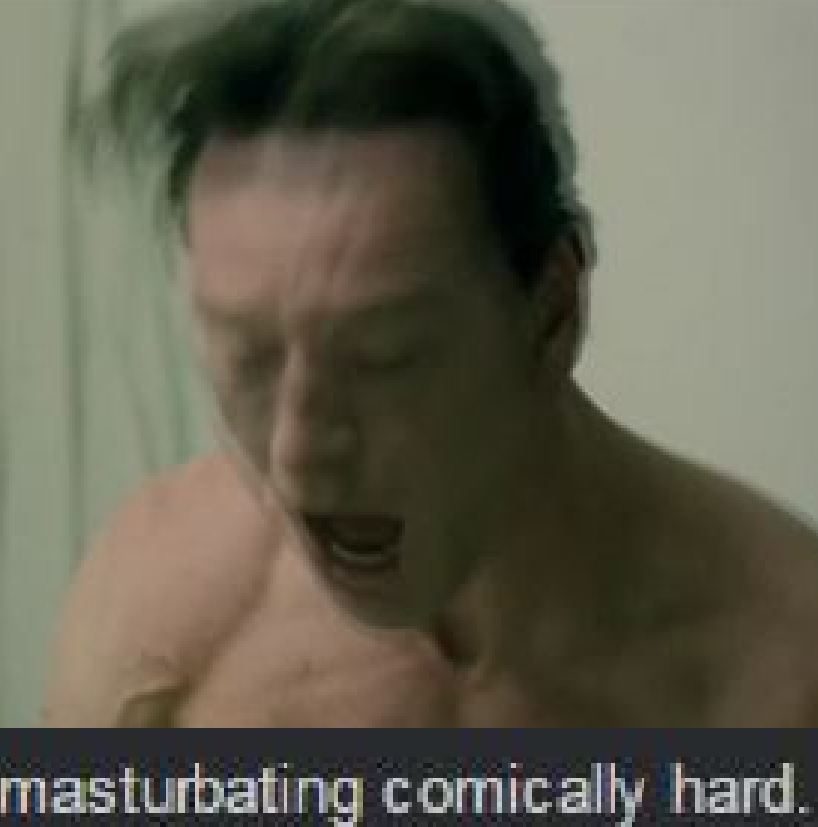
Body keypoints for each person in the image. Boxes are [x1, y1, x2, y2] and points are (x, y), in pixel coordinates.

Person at [43, 0, 818, 727]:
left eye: (382, 358)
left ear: (552, 313)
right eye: (249, 356)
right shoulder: (156, 614)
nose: (298, 459)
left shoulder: (780, 669)